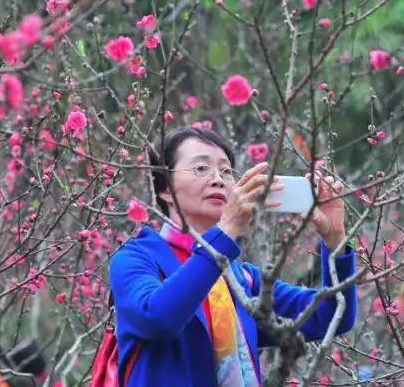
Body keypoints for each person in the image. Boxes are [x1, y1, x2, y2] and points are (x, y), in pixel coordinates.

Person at [108, 126, 358, 386]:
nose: (218, 179)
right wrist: (225, 231)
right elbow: (157, 319)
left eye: (226, 171)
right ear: (165, 189)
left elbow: (332, 315)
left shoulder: (243, 279)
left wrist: (336, 241)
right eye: (201, 168)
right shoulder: (137, 258)